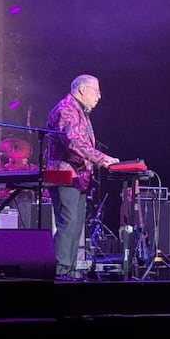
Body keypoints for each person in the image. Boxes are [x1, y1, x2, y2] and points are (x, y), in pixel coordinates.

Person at [44, 75, 119, 280]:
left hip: (78, 177)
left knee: (75, 225)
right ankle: (60, 271)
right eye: (96, 91)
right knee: (68, 223)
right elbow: (74, 143)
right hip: (64, 175)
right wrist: (102, 159)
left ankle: (68, 271)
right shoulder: (67, 109)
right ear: (82, 90)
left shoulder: (80, 111)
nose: (99, 96)